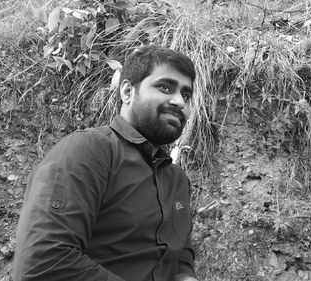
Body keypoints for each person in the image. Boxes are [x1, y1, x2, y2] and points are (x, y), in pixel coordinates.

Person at [12, 45, 199, 281]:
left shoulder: (177, 180)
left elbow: (180, 257)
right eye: (165, 87)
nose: (179, 102)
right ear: (128, 91)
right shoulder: (90, 151)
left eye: (186, 94)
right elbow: (42, 263)